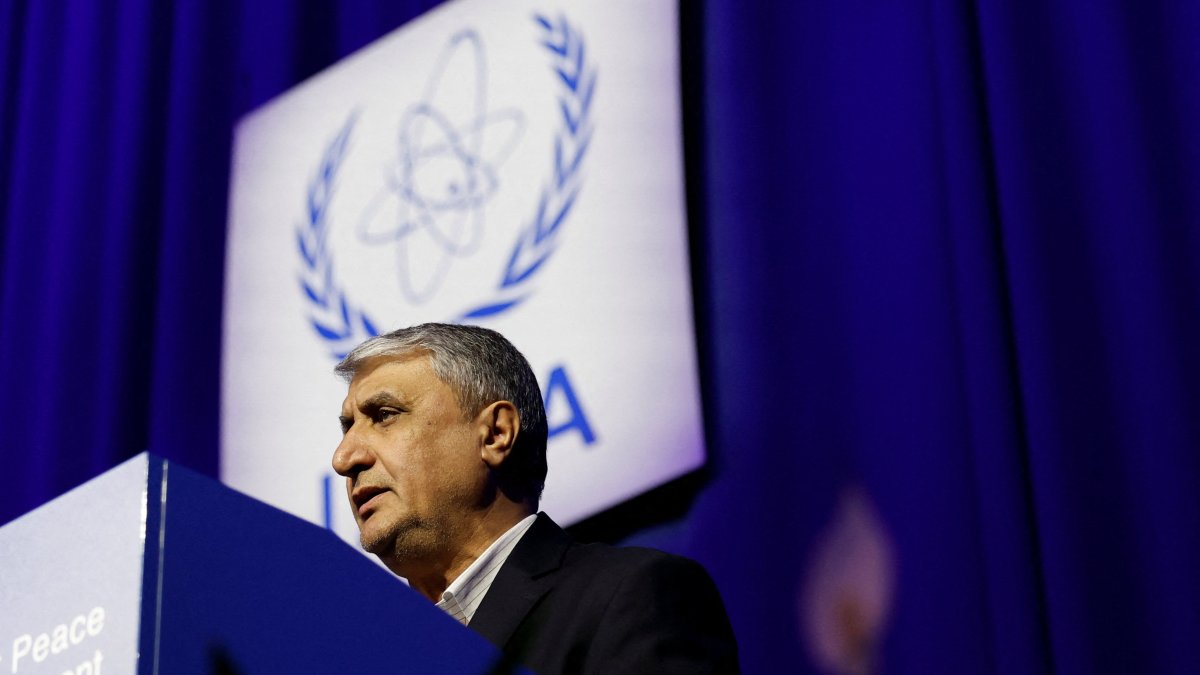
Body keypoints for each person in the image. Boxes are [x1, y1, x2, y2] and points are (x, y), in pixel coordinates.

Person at [331, 323, 738, 673]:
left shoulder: (631, 597)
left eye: (384, 415)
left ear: (495, 434)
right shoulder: (371, 659)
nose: (344, 458)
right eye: (347, 427)